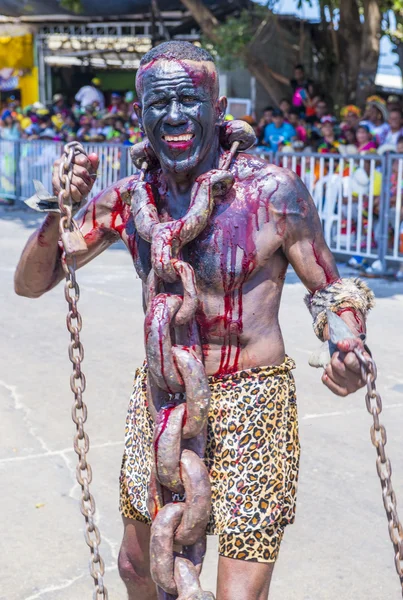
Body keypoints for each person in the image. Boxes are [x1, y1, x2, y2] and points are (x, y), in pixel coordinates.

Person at [14, 41, 373, 600]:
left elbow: (332, 290)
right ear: (140, 114)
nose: (175, 116)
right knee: (138, 567)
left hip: (255, 403)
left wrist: (346, 343)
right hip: (162, 398)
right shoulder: (131, 200)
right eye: (159, 103)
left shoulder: (272, 193)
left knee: (237, 592)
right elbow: (32, 282)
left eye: (190, 100)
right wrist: (61, 210)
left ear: (219, 105)